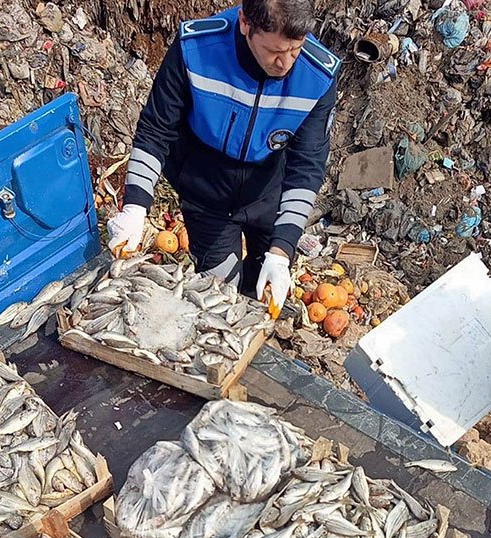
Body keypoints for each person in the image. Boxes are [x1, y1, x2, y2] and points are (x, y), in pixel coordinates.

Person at [107, 0, 340, 318]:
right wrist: (134, 207)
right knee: (219, 302)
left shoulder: (317, 75)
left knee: (263, 290)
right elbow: (155, 130)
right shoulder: (197, 49)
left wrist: (283, 249)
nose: (285, 64)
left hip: (271, 195)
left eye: (295, 50)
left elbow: (308, 165)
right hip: (207, 196)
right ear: (245, 23)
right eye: (274, 51)